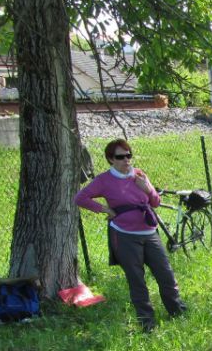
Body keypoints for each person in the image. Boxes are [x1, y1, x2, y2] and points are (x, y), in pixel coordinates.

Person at [74, 139, 186, 332]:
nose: (126, 160)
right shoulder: (104, 180)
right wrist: (104, 209)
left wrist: (147, 189)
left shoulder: (140, 175)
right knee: (137, 280)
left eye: (128, 155)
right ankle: (147, 323)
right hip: (124, 235)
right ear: (111, 159)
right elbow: (80, 198)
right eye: (120, 156)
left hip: (149, 232)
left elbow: (156, 202)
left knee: (165, 274)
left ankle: (178, 312)